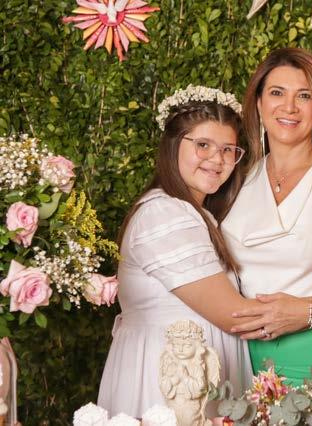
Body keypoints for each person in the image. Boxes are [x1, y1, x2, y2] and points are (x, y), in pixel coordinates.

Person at [97, 85, 257, 418]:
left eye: (228, 149)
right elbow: (233, 315)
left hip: (197, 380)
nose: (218, 159)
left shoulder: (195, 212)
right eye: (203, 145)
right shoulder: (165, 214)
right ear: (173, 145)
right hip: (171, 386)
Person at [221, 48, 312, 388]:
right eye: (277, 93)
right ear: (258, 104)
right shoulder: (237, 179)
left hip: (311, 352)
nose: (289, 107)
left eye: (304, 95)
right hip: (238, 356)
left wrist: (305, 312)